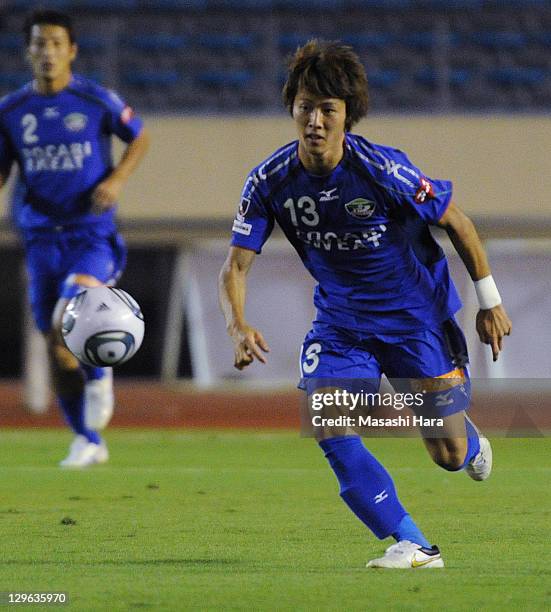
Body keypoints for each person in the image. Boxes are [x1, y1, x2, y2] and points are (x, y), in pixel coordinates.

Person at [219, 40, 512, 568]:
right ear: (292, 108)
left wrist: (488, 302)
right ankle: (413, 542)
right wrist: (237, 324)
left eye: (328, 109)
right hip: (341, 323)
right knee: (327, 418)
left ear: (347, 115)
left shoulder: (382, 170)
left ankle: (467, 443)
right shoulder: (269, 181)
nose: (315, 121)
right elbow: (235, 266)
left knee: (446, 455)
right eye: (306, 107)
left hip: (414, 321)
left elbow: (459, 224)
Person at [0, 10, 149, 467]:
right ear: (28, 51)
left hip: (91, 233)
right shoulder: (10, 112)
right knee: (55, 344)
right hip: (42, 237)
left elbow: (139, 137)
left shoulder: (94, 99)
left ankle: (100, 369)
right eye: (39, 44)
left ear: (71, 51)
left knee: (72, 310)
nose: (47, 52)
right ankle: (87, 438)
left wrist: (119, 179)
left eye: (56, 44)